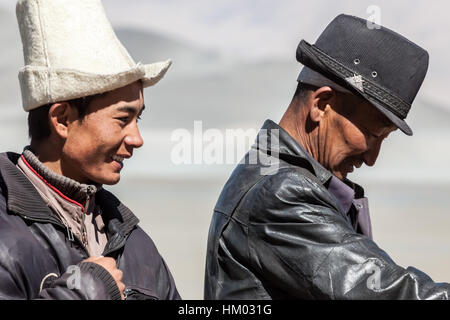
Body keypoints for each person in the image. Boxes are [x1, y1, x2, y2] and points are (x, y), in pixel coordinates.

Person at [204, 14, 450, 299]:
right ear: (321, 104)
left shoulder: (274, 176)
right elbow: (389, 292)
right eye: (372, 134)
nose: (372, 159)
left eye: (384, 139)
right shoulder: (280, 193)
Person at [0, 0, 179, 300]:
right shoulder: (6, 238)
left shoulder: (135, 244)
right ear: (62, 119)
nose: (137, 138)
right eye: (123, 119)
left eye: (139, 118)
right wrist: (86, 292)